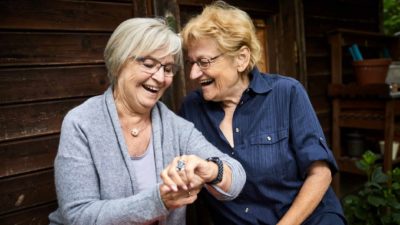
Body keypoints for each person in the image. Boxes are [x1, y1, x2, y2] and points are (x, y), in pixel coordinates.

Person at [48, 17, 246, 225]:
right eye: (149, 64)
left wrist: (211, 170)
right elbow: (78, 215)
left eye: (168, 69)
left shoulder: (175, 127)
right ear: (119, 63)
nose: (160, 77)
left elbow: (237, 177)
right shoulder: (82, 123)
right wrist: (159, 201)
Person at [179, 1, 346, 225]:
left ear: (241, 59)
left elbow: (321, 173)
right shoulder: (191, 110)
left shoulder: (286, 93)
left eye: (204, 62)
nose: (193, 74)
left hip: (308, 219)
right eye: (191, 62)